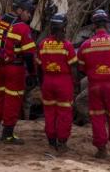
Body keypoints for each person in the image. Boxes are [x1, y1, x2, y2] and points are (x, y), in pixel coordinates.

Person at [77, 9, 110, 160]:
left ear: (94, 25)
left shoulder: (85, 45)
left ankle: (101, 150)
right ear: (107, 24)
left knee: (97, 117)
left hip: (94, 86)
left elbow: (81, 69)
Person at [0, 0, 37, 144]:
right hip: (14, 68)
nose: (29, 15)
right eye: (28, 12)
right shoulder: (22, 27)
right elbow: (29, 54)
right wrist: (32, 74)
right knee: (12, 100)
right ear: (20, 10)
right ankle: (7, 134)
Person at [37, 13, 78, 152]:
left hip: (47, 82)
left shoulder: (42, 44)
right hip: (64, 82)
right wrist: (75, 84)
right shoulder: (67, 46)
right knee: (64, 113)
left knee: (49, 112)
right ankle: (62, 142)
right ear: (64, 27)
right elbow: (73, 68)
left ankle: (51, 141)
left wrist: (41, 82)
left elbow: (38, 67)